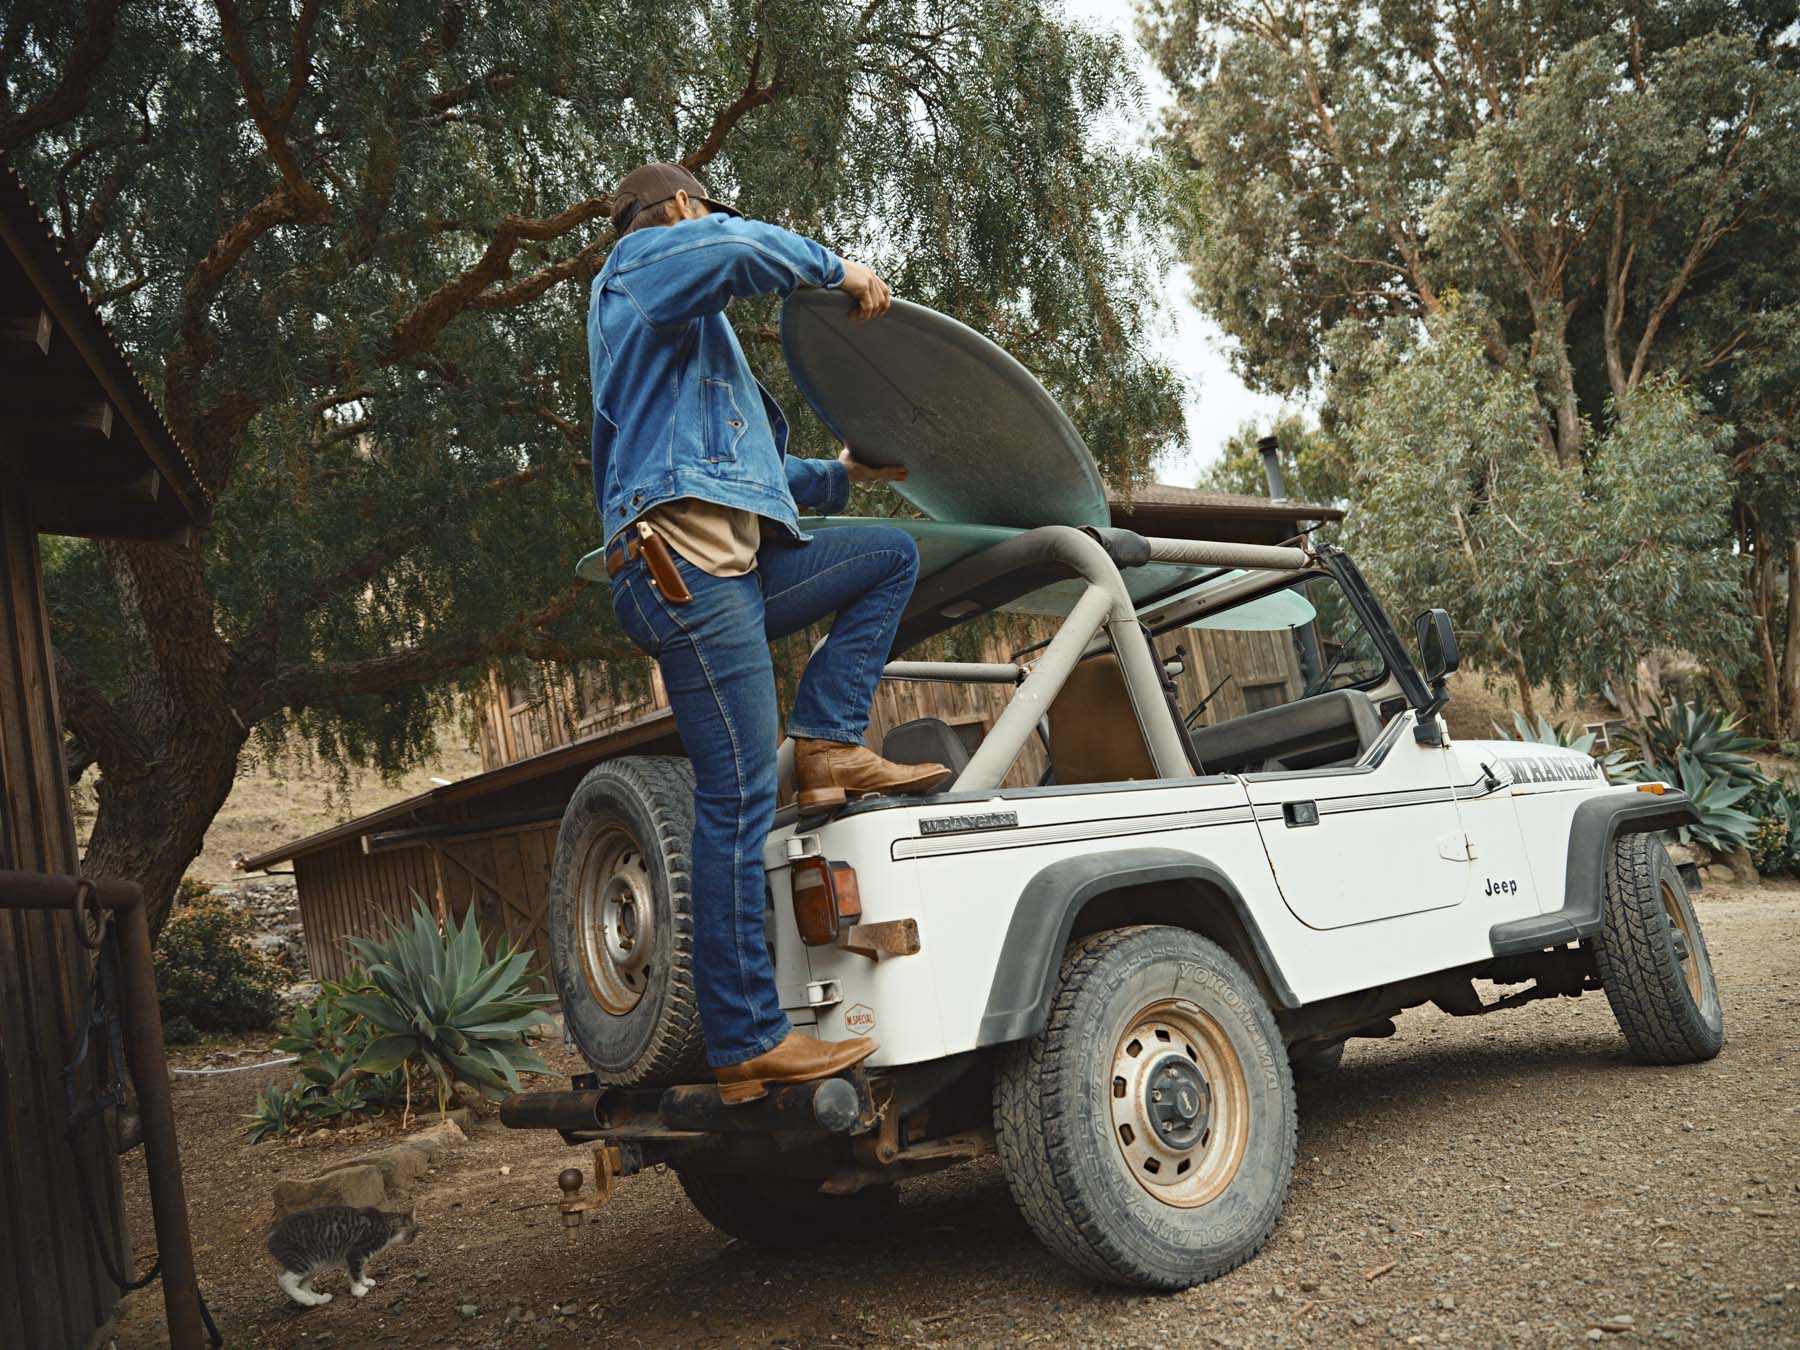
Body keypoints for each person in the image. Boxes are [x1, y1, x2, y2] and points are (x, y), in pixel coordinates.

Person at [588, 162, 951, 1104]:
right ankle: (747, 1038)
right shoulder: (639, 267)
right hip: (684, 569)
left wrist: (840, 475)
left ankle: (828, 743)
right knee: (739, 794)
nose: (712, 224)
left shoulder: (693, 343)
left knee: (884, 556)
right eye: (706, 210)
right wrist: (839, 268)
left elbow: (752, 471)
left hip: (737, 568)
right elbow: (741, 248)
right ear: (677, 209)